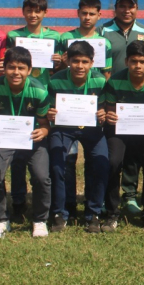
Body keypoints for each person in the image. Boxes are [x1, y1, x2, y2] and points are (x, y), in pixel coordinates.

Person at [4, 0, 63, 222]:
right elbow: (9, 65)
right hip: (17, 99)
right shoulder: (13, 36)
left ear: (45, 13)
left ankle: (41, 201)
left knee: (40, 151)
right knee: (18, 154)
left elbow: (57, 70)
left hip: (43, 98)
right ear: (23, 12)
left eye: (38, 10)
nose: (33, 14)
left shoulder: (54, 37)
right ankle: (18, 201)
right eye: (29, 10)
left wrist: (60, 63)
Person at [0, 47, 52, 238]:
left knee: (41, 177)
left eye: (21, 68)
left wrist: (43, 131)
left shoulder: (39, 91)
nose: (16, 72)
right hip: (2, 139)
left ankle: (39, 220)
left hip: (31, 139)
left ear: (29, 70)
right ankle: (1, 220)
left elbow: (46, 124)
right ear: (3, 68)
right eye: (11, 67)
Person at [56, 0, 113, 222]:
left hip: (91, 114)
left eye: (92, 14)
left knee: (97, 162)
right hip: (66, 115)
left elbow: (105, 79)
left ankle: (93, 211)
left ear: (99, 16)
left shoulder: (103, 44)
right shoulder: (65, 38)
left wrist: (102, 109)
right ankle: (66, 208)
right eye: (84, 13)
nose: (87, 17)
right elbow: (57, 71)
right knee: (64, 162)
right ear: (77, 13)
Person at [102, 41, 144, 233]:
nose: (138, 66)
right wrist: (110, 114)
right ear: (126, 61)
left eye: (142, 62)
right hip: (119, 130)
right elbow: (110, 109)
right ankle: (112, 213)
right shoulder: (115, 81)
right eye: (134, 61)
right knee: (113, 162)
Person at [46, 41, 110, 234]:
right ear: (68, 61)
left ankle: (93, 213)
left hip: (92, 129)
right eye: (75, 61)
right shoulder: (55, 81)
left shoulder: (100, 81)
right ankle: (61, 212)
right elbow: (48, 108)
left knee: (101, 163)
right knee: (58, 163)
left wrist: (103, 113)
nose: (80, 66)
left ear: (92, 62)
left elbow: (106, 106)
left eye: (84, 61)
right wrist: (50, 114)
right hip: (63, 128)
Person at [99, 0, 144, 216]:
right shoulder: (103, 31)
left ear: (136, 9)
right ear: (115, 8)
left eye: (131, 6)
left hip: (137, 103)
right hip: (110, 98)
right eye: (122, 6)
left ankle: (130, 195)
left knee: (134, 153)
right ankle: (105, 197)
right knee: (112, 154)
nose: (127, 10)